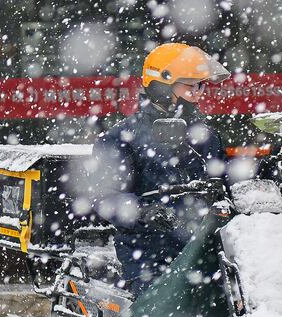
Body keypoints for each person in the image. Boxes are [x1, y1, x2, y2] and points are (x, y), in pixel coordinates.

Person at [90, 43, 230, 295]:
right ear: (162, 85)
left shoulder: (206, 136)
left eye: (202, 86)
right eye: (192, 85)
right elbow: (104, 195)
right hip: (149, 255)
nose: (199, 93)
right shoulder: (122, 138)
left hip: (203, 250)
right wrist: (143, 211)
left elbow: (225, 181)